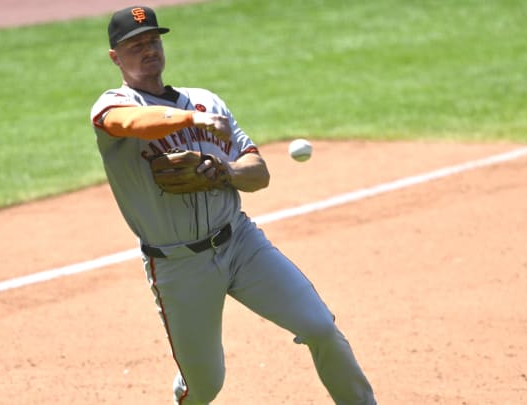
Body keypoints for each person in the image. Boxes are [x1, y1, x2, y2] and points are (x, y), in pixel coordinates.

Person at [90, 6, 376, 405]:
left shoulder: (207, 101)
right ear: (115, 57)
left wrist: (225, 173)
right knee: (205, 386)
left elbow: (258, 171)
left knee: (320, 327)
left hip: (240, 242)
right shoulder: (112, 105)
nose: (148, 49)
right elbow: (135, 124)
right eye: (135, 45)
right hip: (178, 265)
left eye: (153, 40)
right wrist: (190, 121)